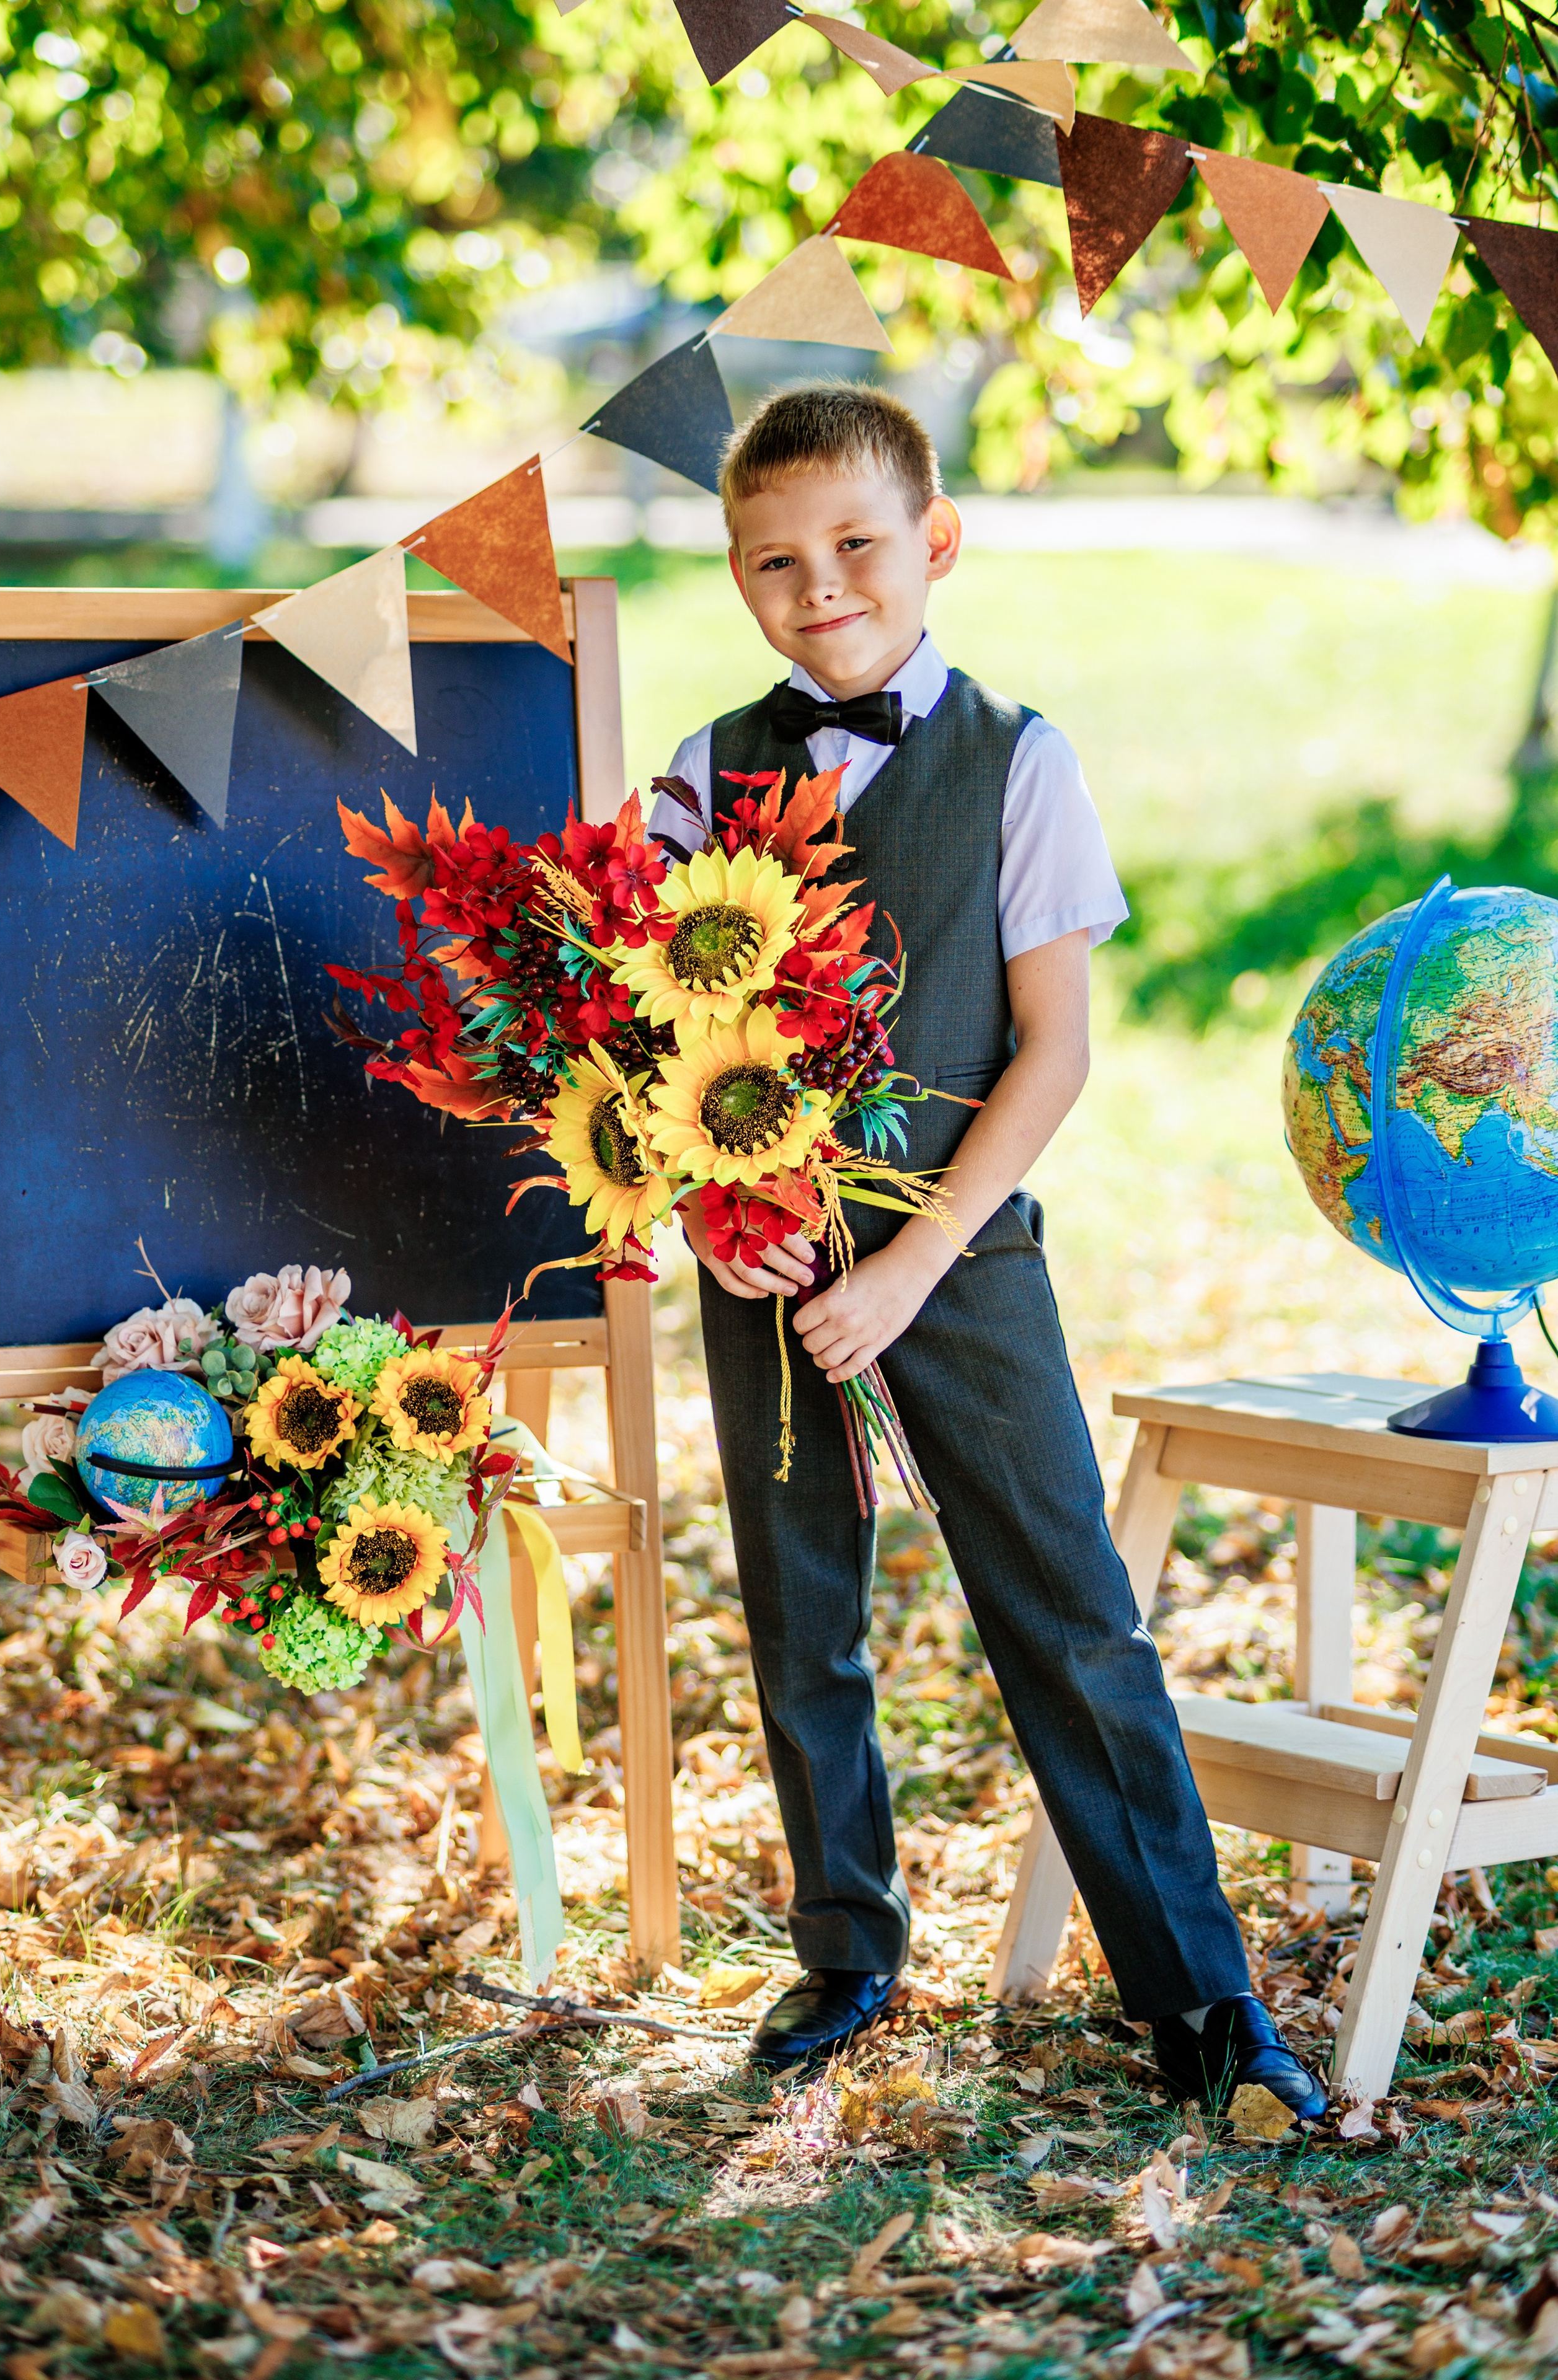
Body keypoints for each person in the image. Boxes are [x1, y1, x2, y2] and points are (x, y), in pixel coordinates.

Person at [646, 384, 1324, 2121]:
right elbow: (648, 1040)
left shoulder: (1020, 759)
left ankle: (1198, 1996)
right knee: (802, 1605)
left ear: (935, 543)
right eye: (774, 562)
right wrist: (713, 1219)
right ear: (737, 578)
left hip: (958, 1247)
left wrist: (918, 1257)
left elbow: (1056, 1047)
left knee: (1071, 1610)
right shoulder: (697, 776)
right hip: (769, 1260)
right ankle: (847, 1943)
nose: (822, 586)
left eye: (858, 546)